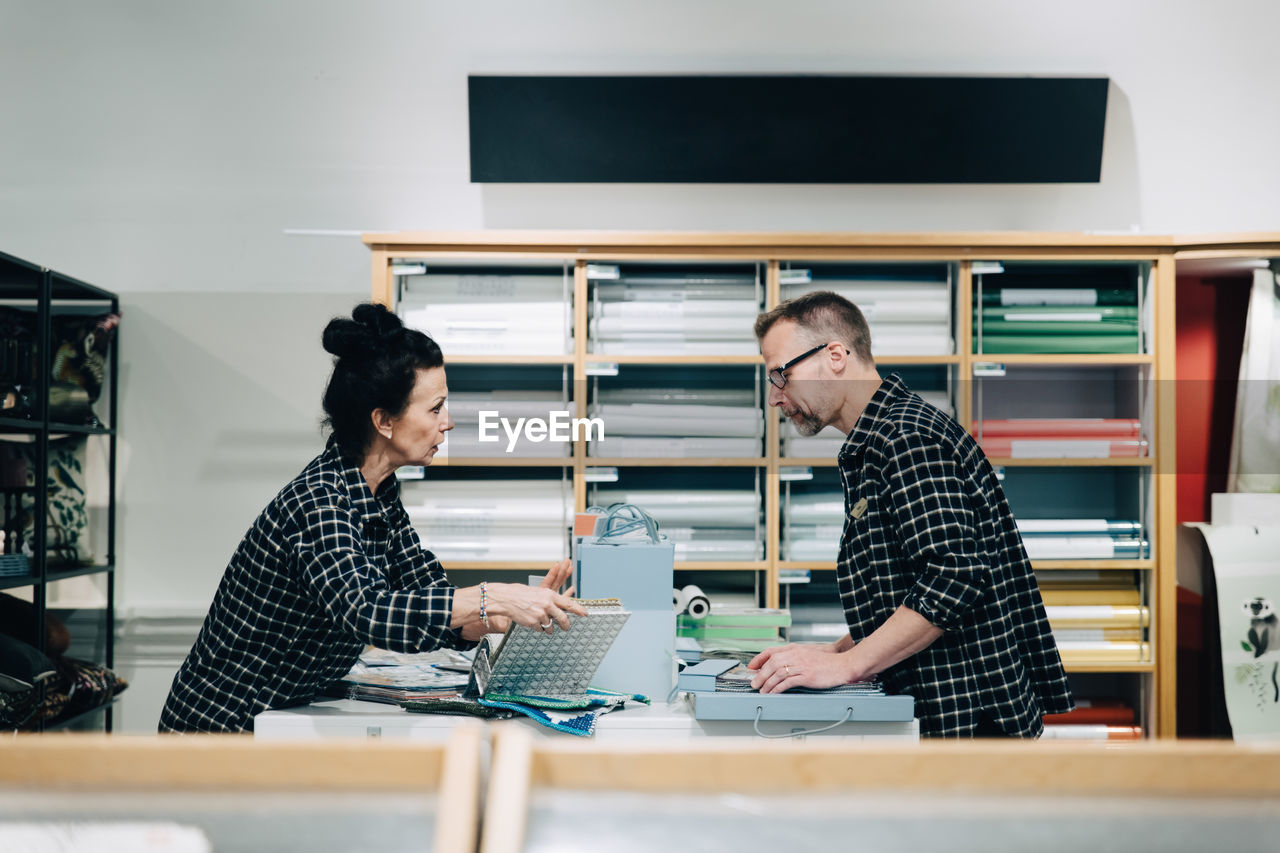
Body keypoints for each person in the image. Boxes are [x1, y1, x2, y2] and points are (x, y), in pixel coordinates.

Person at [160, 303, 585, 733]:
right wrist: (494, 595)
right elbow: (367, 610)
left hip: (274, 720)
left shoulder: (379, 494)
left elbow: (426, 596)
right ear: (383, 420)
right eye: (435, 409)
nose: (449, 423)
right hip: (214, 728)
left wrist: (498, 621)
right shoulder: (319, 501)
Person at [747, 291, 1073, 738]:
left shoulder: (905, 438)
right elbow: (909, 584)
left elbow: (952, 577)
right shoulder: (879, 439)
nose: (775, 397)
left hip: (966, 715)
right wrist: (836, 649)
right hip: (950, 709)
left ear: (836, 355)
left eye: (781, 374)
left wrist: (846, 666)